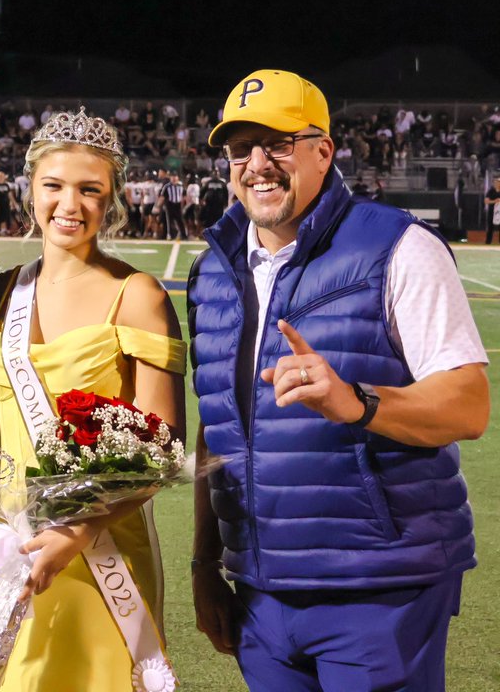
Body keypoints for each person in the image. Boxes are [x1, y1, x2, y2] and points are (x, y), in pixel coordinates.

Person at [190, 70, 489, 691]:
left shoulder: (398, 245)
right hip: (259, 594)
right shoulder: (214, 270)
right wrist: (204, 563)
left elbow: (467, 405)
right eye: (239, 148)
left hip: (378, 589)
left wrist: (357, 402)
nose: (256, 164)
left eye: (276, 143)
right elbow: (216, 424)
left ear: (322, 150)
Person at [0, 109, 186, 691]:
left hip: (102, 549)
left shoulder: (137, 294)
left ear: (112, 200)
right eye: (54, 186)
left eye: (89, 190)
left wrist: (72, 533)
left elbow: (163, 448)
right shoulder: (2, 292)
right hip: (13, 545)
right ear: (30, 191)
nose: (68, 204)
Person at [485, 176, 500, 244]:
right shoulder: (491, 191)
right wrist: (495, 201)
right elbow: (486, 201)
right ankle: (488, 242)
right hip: (492, 212)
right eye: (496, 182)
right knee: (490, 228)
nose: (497, 183)